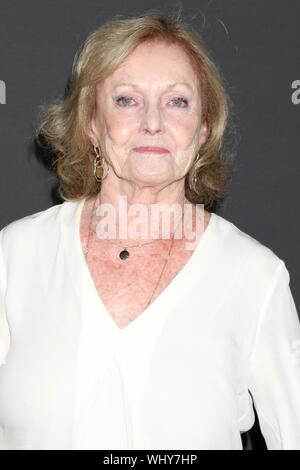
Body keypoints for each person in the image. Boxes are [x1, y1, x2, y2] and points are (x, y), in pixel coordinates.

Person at [0, 11, 300, 451]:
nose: (154, 122)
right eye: (127, 100)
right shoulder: (16, 256)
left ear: (203, 130)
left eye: (177, 101)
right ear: (91, 125)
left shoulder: (254, 278)